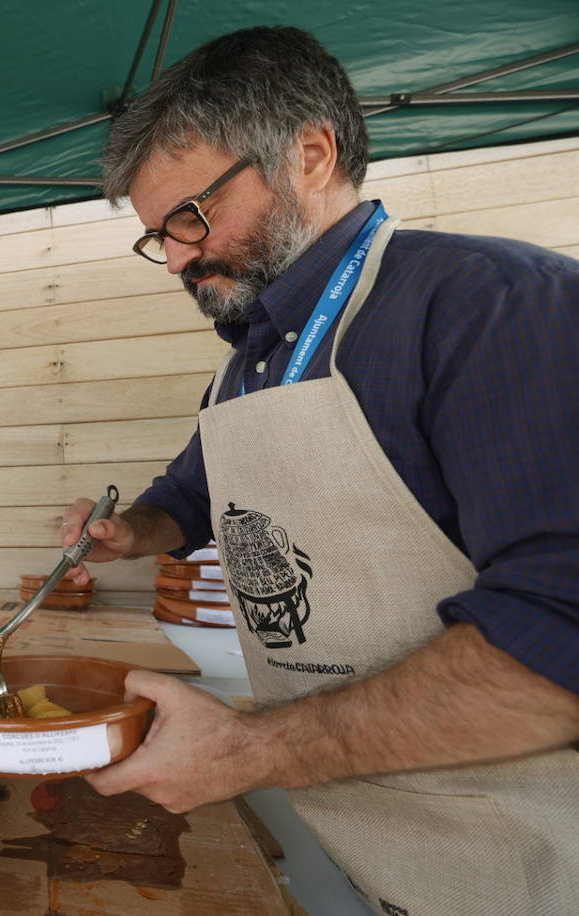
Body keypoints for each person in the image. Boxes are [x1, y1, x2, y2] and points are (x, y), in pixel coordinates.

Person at [59, 26, 579, 915]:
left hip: (510, 861)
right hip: (347, 832)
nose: (178, 256)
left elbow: (557, 642)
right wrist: (131, 531)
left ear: (308, 153)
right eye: (158, 236)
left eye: (190, 216)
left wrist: (247, 753)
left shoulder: (490, 308)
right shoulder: (248, 357)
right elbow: (194, 492)